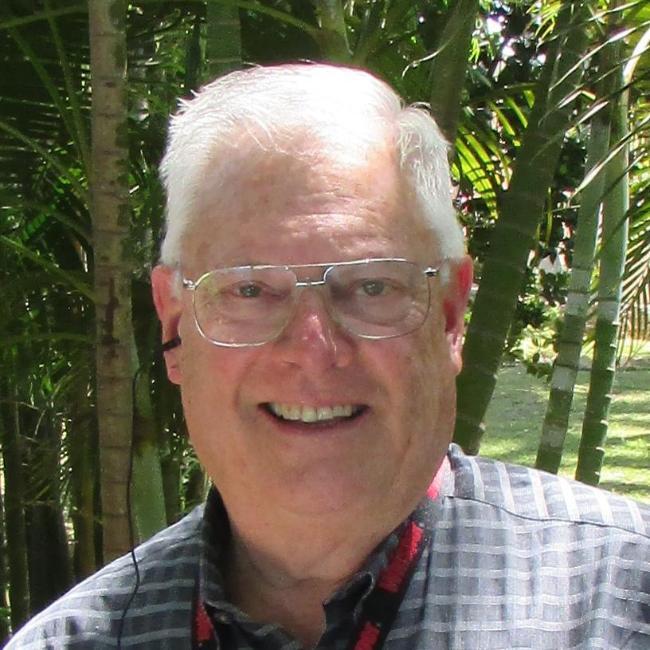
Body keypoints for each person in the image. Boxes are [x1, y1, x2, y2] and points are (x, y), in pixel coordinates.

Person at [7, 63, 649, 650]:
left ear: (451, 318)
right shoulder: (74, 641)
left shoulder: (621, 603)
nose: (314, 352)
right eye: (249, 290)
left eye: (372, 287)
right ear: (175, 325)